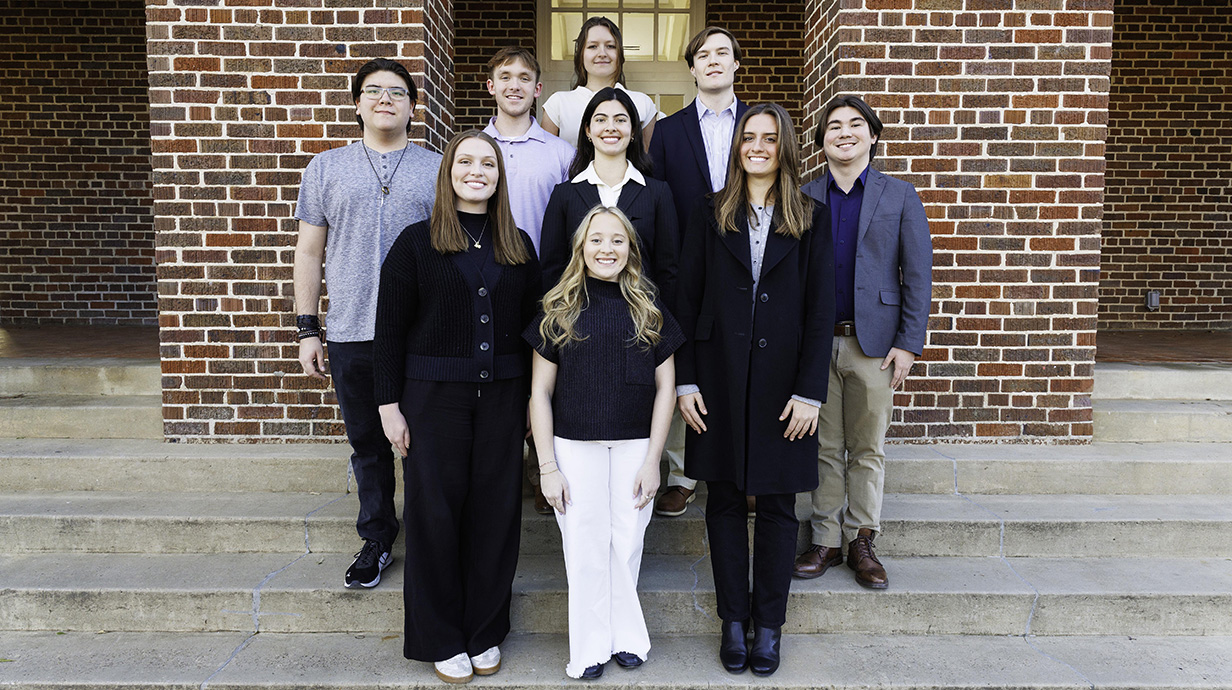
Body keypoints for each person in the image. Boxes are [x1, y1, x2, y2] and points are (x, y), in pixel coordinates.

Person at [373, 130, 540, 684]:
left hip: (503, 400)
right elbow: (389, 330)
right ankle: (441, 636)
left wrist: (534, 407)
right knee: (434, 516)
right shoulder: (415, 242)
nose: (477, 171)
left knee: (496, 515)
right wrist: (388, 408)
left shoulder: (518, 244)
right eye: (465, 161)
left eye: (487, 163)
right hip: (432, 400)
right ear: (448, 173)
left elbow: (534, 329)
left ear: (499, 176)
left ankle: (485, 630)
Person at [674, 104, 835, 676]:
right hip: (716, 378)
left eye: (769, 138)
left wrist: (811, 391)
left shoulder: (812, 217)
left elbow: (821, 313)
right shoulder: (709, 212)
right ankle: (733, 621)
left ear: (785, 147)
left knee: (777, 505)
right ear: (738, 146)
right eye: (749, 137)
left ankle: (769, 626)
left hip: (785, 386)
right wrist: (686, 379)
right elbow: (686, 301)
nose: (758, 146)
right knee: (720, 500)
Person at [293, 58, 441, 590]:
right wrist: (307, 326)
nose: (385, 99)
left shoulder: (436, 167)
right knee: (369, 444)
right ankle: (377, 538)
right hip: (352, 329)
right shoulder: (326, 168)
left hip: (423, 334)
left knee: (425, 442)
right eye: (374, 91)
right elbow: (309, 252)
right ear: (357, 103)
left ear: (411, 106)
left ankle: (431, 541)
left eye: (397, 92)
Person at [526, 206, 684, 680]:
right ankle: (590, 648)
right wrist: (547, 467)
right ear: (581, 248)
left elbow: (666, 390)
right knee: (584, 545)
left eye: (618, 240)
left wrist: (655, 459)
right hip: (574, 446)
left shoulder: (649, 307)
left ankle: (628, 639)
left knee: (627, 542)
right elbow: (539, 392)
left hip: (636, 445)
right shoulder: (558, 308)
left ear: (630, 249)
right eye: (597, 239)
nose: (606, 249)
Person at [792, 95, 933, 590]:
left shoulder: (899, 196)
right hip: (816, 344)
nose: (844, 133)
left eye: (855, 125)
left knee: (868, 446)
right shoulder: (805, 196)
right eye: (834, 126)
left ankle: (862, 539)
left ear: (873, 135)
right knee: (824, 446)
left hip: (874, 345)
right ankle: (825, 538)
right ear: (822, 140)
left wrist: (908, 344)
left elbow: (917, 274)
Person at [647, 26, 749, 517]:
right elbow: (659, 203)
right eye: (702, 55)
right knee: (685, 362)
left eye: (722, 53)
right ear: (692, 69)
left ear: (735, 65)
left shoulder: (762, 123)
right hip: (686, 268)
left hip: (752, 265)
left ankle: (745, 465)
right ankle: (684, 474)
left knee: (746, 363)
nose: (712, 61)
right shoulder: (667, 131)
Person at [481, 46, 576, 515]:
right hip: (485, 285)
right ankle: (501, 473)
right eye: (505, 76)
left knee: (545, 380)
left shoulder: (562, 154)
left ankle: (545, 468)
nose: (514, 84)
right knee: (499, 378)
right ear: (491, 86)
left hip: (544, 287)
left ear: (539, 89)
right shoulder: (472, 151)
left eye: (524, 77)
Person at [540, 88, 679, 311]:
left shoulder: (657, 193)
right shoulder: (564, 194)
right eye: (601, 119)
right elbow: (551, 270)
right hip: (578, 326)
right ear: (588, 130)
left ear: (633, 131)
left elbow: (668, 271)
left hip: (642, 326)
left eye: (620, 120)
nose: (610, 127)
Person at [541, 16, 659, 149]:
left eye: (610, 46)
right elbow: (547, 161)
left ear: (619, 54)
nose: (602, 53)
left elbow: (651, 160)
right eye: (592, 46)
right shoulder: (558, 103)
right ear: (581, 54)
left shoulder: (642, 102)